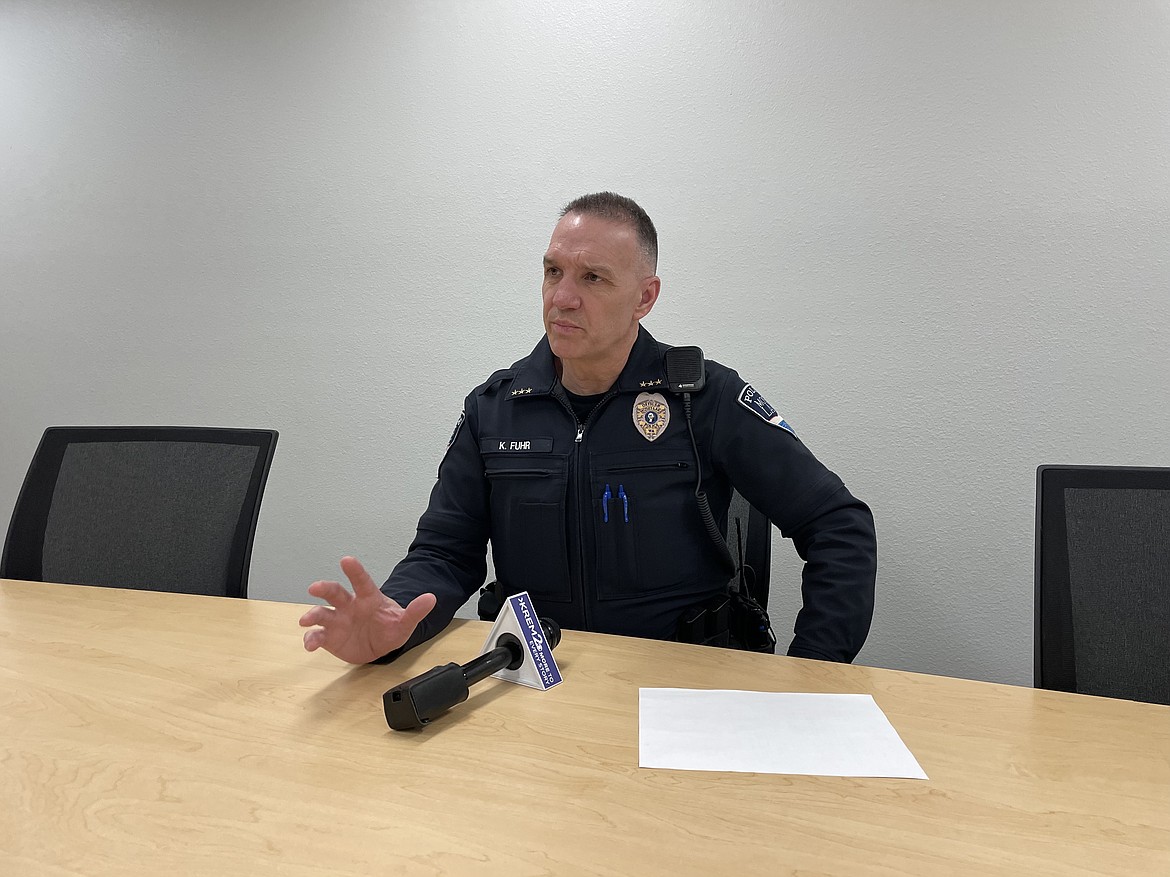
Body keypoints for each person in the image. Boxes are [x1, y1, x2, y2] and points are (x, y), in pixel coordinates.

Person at [300, 192, 877, 665]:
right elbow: (446, 553)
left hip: (679, 684)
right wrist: (396, 620)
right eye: (553, 271)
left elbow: (837, 524)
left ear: (644, 297)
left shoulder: (704, 397)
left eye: (593, 278)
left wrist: (814, 673)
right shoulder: (494, 407)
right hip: (538, 677)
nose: (562, 298)